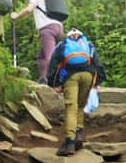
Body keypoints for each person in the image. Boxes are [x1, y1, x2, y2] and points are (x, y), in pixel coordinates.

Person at [46, 27, 107, 156]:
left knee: (71, 107)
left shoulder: (62, 45)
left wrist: (53, 84)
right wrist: (98, 82)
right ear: (80, 36)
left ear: (68, 36)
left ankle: (69, 142)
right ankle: (78, 132)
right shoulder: (88, 45)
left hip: (71, 77)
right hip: (88, 75)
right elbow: (97, 63)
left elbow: (53, 63)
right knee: (80, 105)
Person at [10, 0, 64, 84]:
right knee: (42, 56)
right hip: (59, 28)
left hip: (48, 29)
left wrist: (16, 16)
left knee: (49, 56)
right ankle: (43, 78)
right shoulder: (52, 0)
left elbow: (28, 10)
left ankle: (56, 81)